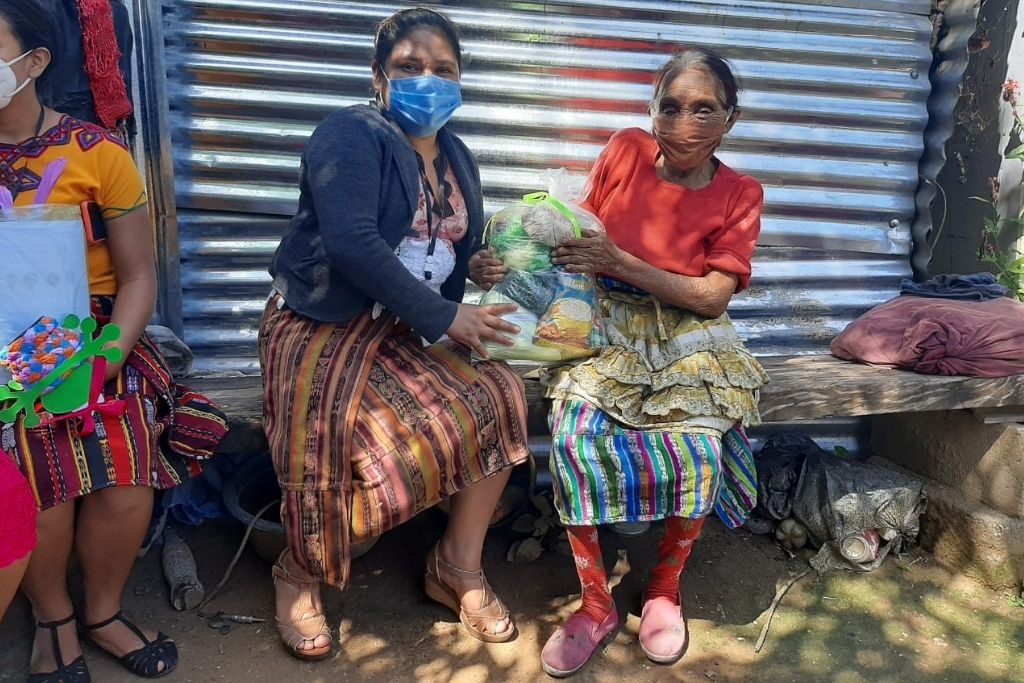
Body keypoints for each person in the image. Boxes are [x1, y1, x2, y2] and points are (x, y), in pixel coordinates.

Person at [259, 7, 530, 660]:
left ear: (461, 81)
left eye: (443, 69)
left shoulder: (457, 155)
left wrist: (478, 268)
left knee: (500, 393)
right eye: (410, 67)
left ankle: (456, 565)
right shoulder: (350, 134)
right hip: (317, 324)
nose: (427, 80)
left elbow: (443, 254)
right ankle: (299, 569)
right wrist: (447, 318)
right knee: (336, 438)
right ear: (379, 74)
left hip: (396, 329)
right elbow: (352, 243)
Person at [0, 2, 227, 680]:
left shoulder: (100, 153)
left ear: (34, 63)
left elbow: (137, 279)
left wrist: (104, 359)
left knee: (123, 464)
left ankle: (100, 610)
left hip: (94, 333)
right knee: (36, 468)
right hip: (1, 351)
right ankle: (53, 618)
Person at [537, 48, 770, 676]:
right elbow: (580, 236)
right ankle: (595, 604)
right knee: (575, 440)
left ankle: (664, 589)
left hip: (690, 336)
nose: (684, 122)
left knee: (698, 449)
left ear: (730, 119)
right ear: (653, 109)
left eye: (704, 110)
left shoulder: (741, 192)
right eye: (671, 106)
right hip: (606, 322)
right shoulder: (625, 151)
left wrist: (623, 263)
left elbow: (712, 295)